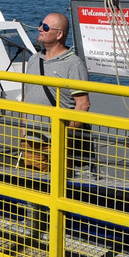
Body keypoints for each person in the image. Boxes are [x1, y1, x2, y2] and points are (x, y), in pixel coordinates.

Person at [20, 12, 91, 171]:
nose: (40, 29)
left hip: (56, 140)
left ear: (59, 34)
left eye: (45, 27)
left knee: (59, 186)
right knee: (33, 184)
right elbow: (27, 95)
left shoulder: (73, 64)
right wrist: (23, 128)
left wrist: (64, 133)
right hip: (31, 138)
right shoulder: (34, 59)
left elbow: (83, 104)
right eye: (41, 24)